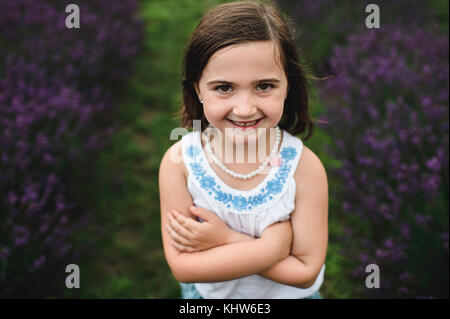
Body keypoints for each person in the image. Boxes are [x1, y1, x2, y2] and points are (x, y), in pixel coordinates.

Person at [159, 0, 328, 299]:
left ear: (288, 85)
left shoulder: (303, 168)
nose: (245, 108)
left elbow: (305, 273)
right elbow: (183, 266)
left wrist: (225, 238)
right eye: (224, 87)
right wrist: (272, 247)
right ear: (198, 89)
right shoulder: (180, 164)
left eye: (264, 86)